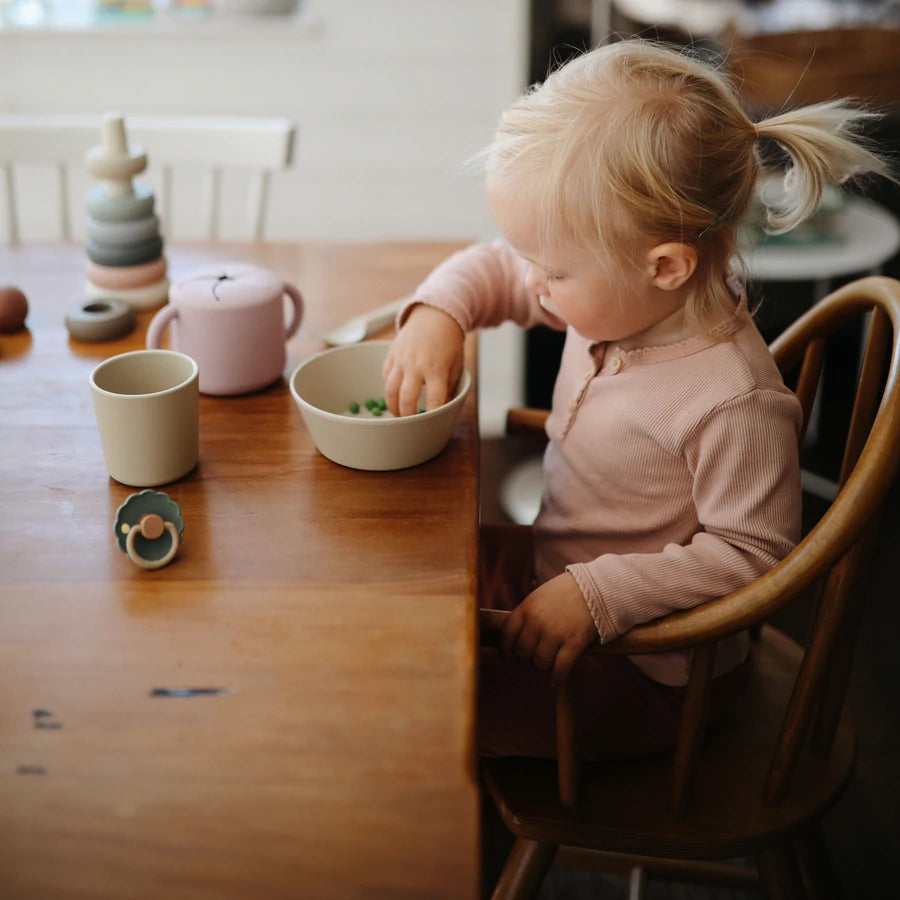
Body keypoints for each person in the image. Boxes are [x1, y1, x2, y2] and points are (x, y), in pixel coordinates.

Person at [383, 39, 892, 760]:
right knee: (398, 580)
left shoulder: (732, 400)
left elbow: (754, 554)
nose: (530, 283)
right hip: (556, 572)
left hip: (652, 673)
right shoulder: (620, 300)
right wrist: (441, 312)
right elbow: (496, 269)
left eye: (550, 270)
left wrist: (598, 595)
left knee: (421, 709)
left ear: (665, 266)